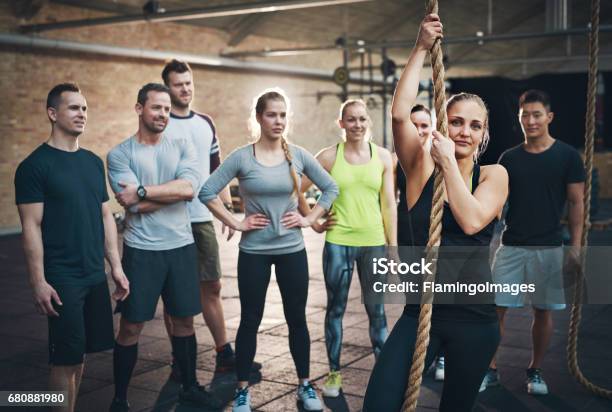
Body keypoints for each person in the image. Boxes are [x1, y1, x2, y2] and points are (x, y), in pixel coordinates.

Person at [363, 14, 509, 411]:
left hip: (475, 319)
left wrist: (448, 165)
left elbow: (472, 219)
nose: (464, 131)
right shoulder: (419, 171)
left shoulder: (494, 175)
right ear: (443, 123)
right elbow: (398, 115)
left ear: (484, 135)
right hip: (420, 313)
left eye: (474, 126)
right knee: (378, 403)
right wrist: (420, 48)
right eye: (456, 121)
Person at [199, 88, 339, 412]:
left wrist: (309, 218)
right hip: (254, 252)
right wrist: (235, 222)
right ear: (259, 118)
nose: (278, 121)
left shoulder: (298, 155)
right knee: (250, 320)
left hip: (292, 250)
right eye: (272, 114)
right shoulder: (242, 157)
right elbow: (207, 191)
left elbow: (331, 187)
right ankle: (243, 391)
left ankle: (305, 385)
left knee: (297, 320)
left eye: (283, 115)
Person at [14, 83, 129, 412]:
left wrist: (116, 267)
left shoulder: (93, 162)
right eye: (74, 108)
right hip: (62, 277)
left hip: (94, 273)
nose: (82, 114)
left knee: (79, 359)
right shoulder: (34, 167)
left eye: (84, 108)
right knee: (64, 361)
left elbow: (105, 214)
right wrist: (38, 281)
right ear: (53, 114)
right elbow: (31, 226)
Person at [106, 83, 221, 411]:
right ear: (139, 108)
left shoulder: (182, 144)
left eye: (167, 109)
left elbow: (188, 190)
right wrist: (162, 194)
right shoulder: (120, 154)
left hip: (181, 247)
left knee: (184, 321)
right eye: (156, 108)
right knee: (131, 326)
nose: (163, 115)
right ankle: (119, 399)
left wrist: (143, 192)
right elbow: (133, 207)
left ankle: (189, 387)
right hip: (142, 251)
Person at [161, 59, 261, 377]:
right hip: (169, 221)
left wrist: (227, 209)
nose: (185, 88)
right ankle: (180, 357)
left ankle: (223, 353)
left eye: (188, 82)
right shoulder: (161, 124)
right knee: (174, 292)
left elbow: (216, 169)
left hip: (201, 218)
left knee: (212, 286)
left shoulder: (204, 122)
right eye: (179, 84)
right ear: (168, 88)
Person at [481, 89, 585, 395]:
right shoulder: (508, 159)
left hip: (549, 248)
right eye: (524, 115)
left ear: (549, 117)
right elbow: (497, 202)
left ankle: (535, 370)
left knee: (543, 311)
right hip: (511, 246)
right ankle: (490, 369)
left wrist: (576, 248)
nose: (530, 120)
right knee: (496, 310)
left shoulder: (567, 156)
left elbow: (577, 203)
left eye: (536, 114)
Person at [300, 99, 395, 397]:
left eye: (362, 119)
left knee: (377, 312)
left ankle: (383, 375)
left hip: (373, 242)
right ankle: (334, 374)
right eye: (351, 120)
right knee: (336, 310)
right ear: (341, 123)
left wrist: (392, 247)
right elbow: (297, 189)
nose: (357, 125)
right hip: (338, 241)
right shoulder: (328, 157)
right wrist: (312, 221)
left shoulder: (382, 157)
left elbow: (389, 203)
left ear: (369, 122)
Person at [395, 104, 445, 382]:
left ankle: (441, 355)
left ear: (433, 126)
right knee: (415, 300)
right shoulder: (401, 159)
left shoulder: (445, 158)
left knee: (445, 299)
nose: (419, 130)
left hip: (439, 234)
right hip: (409, 235)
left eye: (424, 125)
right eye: (414, 125)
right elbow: (389, 200)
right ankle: (419, 355)